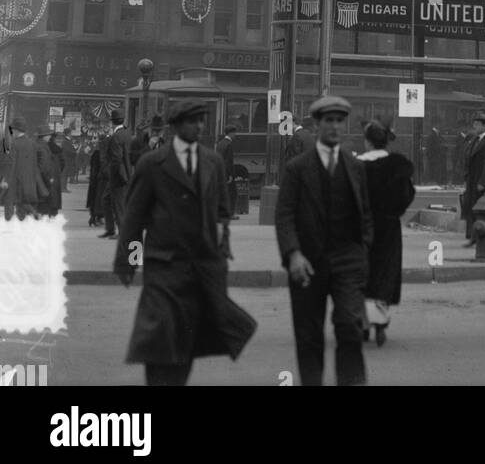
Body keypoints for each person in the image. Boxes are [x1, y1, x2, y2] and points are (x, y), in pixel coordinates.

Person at [113, 98, 257, 387]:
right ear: (176, 126)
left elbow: (221, 211)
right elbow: (134, 217)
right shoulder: (153, 163)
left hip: (201, 266)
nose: (200, 126)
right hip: (163, 263)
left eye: (202, 120)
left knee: (189, 338)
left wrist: (221, 245)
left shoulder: (212, 161)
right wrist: (129, 261)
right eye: (193, 121)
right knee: (159, 334)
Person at [275, 94, 373, 387]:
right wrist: (293, 254)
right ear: (316, 125)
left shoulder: (355, 167)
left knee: (350, 326)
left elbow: (366, 213)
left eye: (340, 121)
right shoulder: (297, 168)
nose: (334, 127)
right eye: (328, 121)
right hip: (307, 262)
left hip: (347, 260)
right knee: (309, 335)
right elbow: (285, 215)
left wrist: (363, 251)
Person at [357, 120, 415, 345]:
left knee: (363, 273)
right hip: (389, 228)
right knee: (384, 273)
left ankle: (362, 323)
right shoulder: (398, 166)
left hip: (361, 227)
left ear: (367, 141)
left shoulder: (356, 165)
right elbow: (407, 195)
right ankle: (380, 322)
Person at [462, 109, 485, 246]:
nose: (475, 126)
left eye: (477, 124)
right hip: (473, 180)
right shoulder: (475, 140)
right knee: (475, 210)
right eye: (475, 124)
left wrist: (483, 182)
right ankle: (475, 237)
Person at [1, 117, 49, 221]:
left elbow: (11, 164)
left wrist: (5, 180)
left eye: (12, 129)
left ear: (16, 130)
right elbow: (38, 160)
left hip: (15, 180)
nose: (12, 131)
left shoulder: (14, 144)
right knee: (23, 204)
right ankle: (30, 218)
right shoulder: (32, 143)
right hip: (28, 180)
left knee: (9, 202)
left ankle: (9, 224)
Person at [102, 109, 132, 239]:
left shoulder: (116, 137)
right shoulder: (128, 133)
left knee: (118, 204)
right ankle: (111, 229)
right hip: (127, 173)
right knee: (107, 200)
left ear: (112, 122)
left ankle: (121, 232)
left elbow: (116, 159)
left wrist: (111, 174)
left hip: (118, 176)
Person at [35, 125, 63, 218]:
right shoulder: (43, 147)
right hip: (45, 179)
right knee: (45, 205)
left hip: (39, 179)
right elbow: (44, 165)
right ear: (45, 136)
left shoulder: (38, 144)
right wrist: (49, 178)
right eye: (49, 135)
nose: (50, 137)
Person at [217, 123, 239, 219]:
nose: (235, 135)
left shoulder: (220, 143)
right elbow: (228, 161)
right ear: (230, 133)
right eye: (234, 133)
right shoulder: (229, 144)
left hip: (220, 172)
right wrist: (229, 175)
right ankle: (230, 214)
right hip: (227, 174)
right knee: (232, 194)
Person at [86, 136, 105, 227]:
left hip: (96, 181)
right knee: (97, 200)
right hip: (98, 181)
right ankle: (95, 218)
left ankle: (95, 217)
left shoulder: (96, 153)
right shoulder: (101, 154)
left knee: (95, 200)